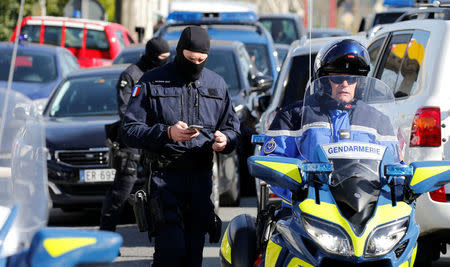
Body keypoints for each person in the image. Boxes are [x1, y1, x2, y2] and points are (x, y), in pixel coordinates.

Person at [121, 26, 240, 267]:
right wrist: (167, 133)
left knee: (192, 255)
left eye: (201, 60)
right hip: (165, 179)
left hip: (200, 178)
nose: (195, 64)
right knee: (170, 251)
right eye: (190, 59)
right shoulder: (152, 81)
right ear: (179, 52)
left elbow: (234, 129)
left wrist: (225, 140)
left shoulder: (217, 84)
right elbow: (129, 130)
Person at [261, 39, 399, 206]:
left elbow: (394, 166)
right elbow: (273, 162)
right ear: (324, 80)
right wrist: (298, 193)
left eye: (352, 79)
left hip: (363, 209)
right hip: (308, 206)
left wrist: (405, 179)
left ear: (361, 82)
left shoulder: (377, 120)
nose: (345, 84)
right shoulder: (293, 116)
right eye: (337, 78)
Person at [99, 37, 170, 232]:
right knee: (121, 192)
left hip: (156, 139)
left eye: (167, 58)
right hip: (132, 140)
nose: (164, 61)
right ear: (151, 56)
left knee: (158, 190)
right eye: (161, 58)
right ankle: (106, 238)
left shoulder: (164, 73)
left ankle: (159, 236)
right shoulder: (131, 74)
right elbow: (126, 111)